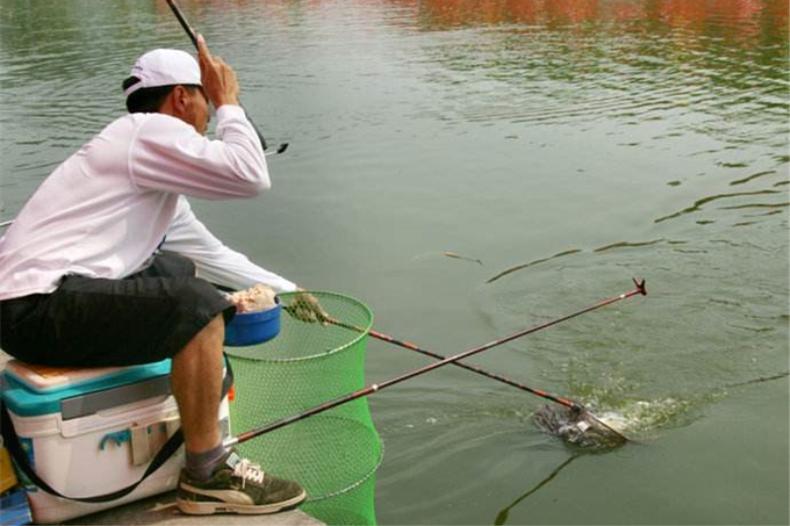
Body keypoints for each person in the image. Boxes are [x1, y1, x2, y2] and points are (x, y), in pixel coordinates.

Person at [0, 35, 327, 515]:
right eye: (204, 104)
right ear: (181, 97)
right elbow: (250, 174)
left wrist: (289, 289)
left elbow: (207, 252)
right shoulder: (146, 132)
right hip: (33, 307)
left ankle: (190, 416)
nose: (208, 117)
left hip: (31, 309)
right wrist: (229, 100)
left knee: (179, 270)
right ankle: (208, 472)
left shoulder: (148, 162)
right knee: (196, 305)